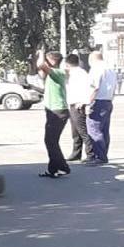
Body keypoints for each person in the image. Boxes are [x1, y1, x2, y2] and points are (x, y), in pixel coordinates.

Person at [37, 50, 71, 178]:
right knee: (51, 141)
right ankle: (53, 169)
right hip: (53, 110)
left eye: (47, 59)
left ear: (52, 61)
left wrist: (41, 53)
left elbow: (41, 65)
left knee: (51, 141)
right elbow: (41, 74)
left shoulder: (58, 72)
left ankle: (63, 167)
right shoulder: (53, 75)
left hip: (58, 111)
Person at [85, 51, 117, 166]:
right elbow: (114, 88)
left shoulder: (96, 68)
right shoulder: (110, 69)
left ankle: (100, 156)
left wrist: (88, 103)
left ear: (91, 59)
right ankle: (103, 154)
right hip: (108, 101)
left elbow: (95, 87)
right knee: (104, 130)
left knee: (93, 129)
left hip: (98, 101)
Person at [64, 54, 94, 163]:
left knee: (82, 131)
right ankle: (76, 153)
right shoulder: (71, 73)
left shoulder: (81, 74)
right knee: (75, 131)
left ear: (67, 63)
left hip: (78, 104)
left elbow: (88, 88)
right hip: (72, 104)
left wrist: (84, 102)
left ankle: (91, 154)